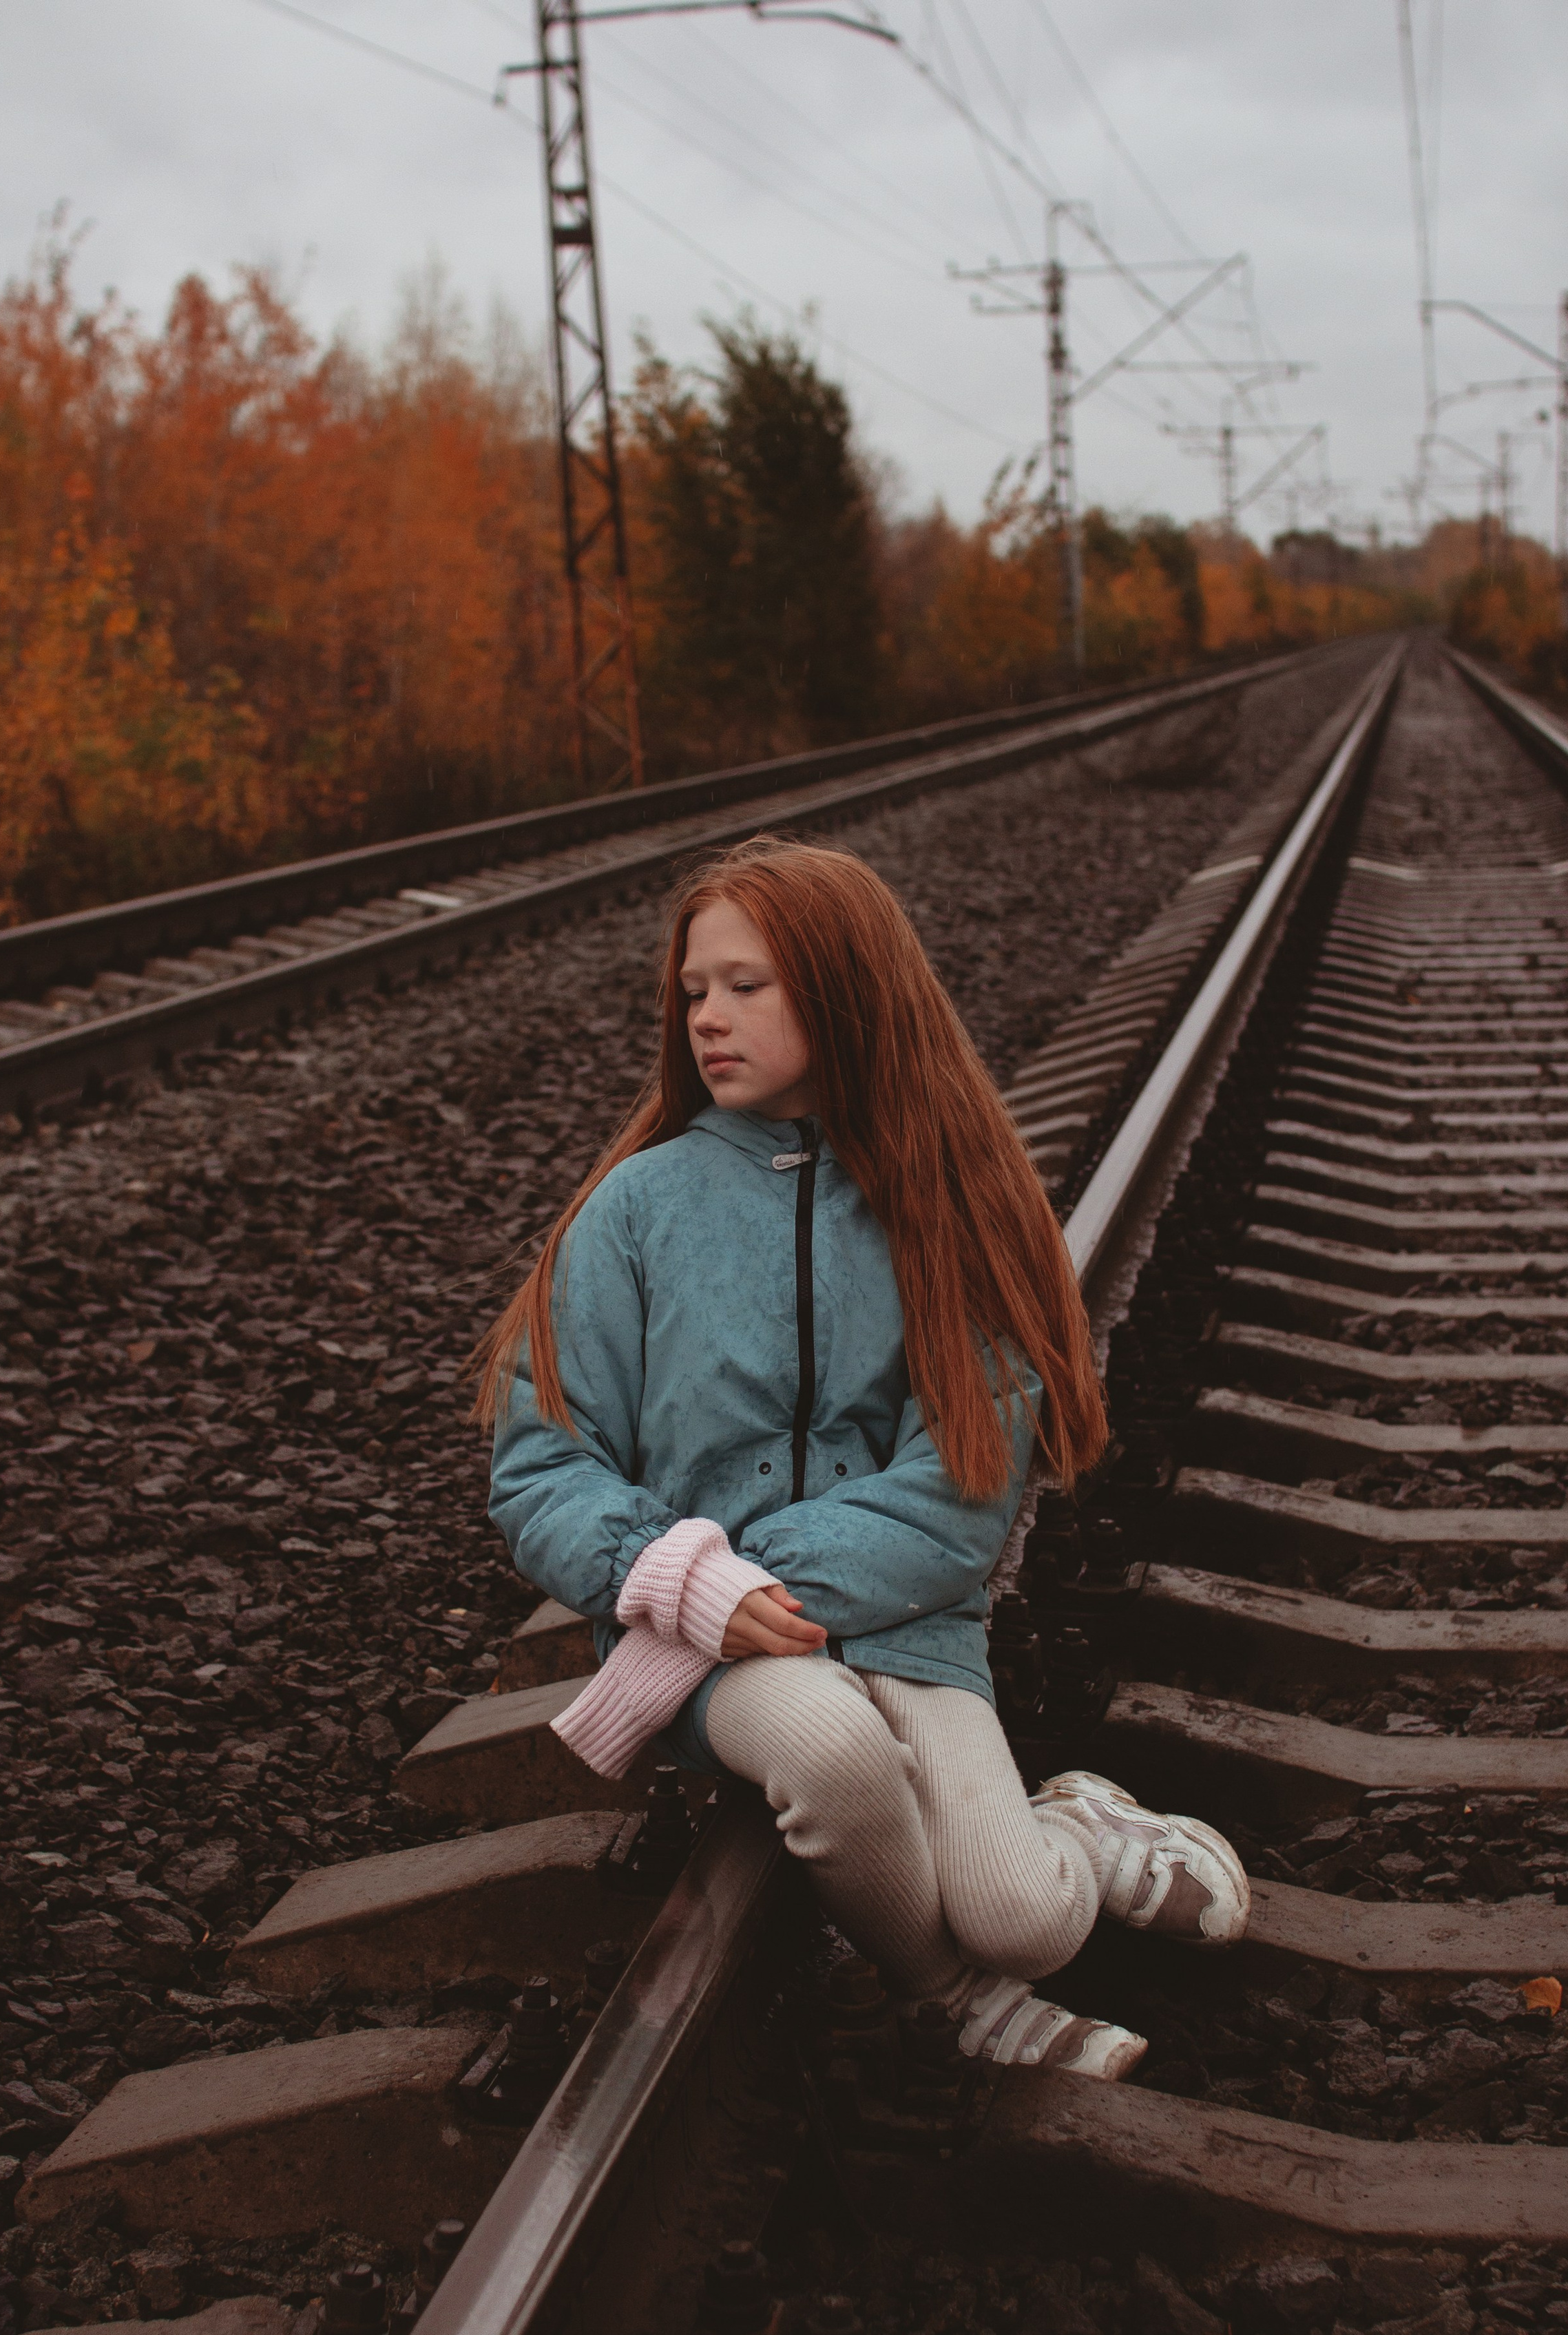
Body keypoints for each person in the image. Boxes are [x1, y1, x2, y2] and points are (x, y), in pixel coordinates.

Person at [474, 835, 1248, 2077]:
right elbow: (542, 1466)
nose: (708, 1019)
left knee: (1030, 1918)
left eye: (748, 986)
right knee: (831, 1752)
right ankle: (948, 1998)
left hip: (906, 1623)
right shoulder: (636, 1209)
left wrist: (760, 1577)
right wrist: (687, 1584)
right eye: (692, 992)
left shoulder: (949, 1209)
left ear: (846, 994)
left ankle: (1082, 1825)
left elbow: (967, 1482)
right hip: (716, 1653)